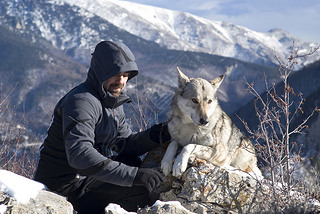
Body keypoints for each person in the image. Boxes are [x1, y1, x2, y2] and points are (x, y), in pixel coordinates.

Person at [34, 41, 171, 213]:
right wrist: (133, 176)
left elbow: (124, 144)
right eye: (115, 74)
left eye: (126, 74)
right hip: (63, 188)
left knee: (133, 163)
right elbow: (80, 155)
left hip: (84, 180)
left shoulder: (110, 99)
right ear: (100, 71)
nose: (121, 81)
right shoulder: (82, 102)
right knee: (140, 186)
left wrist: (159, 133)